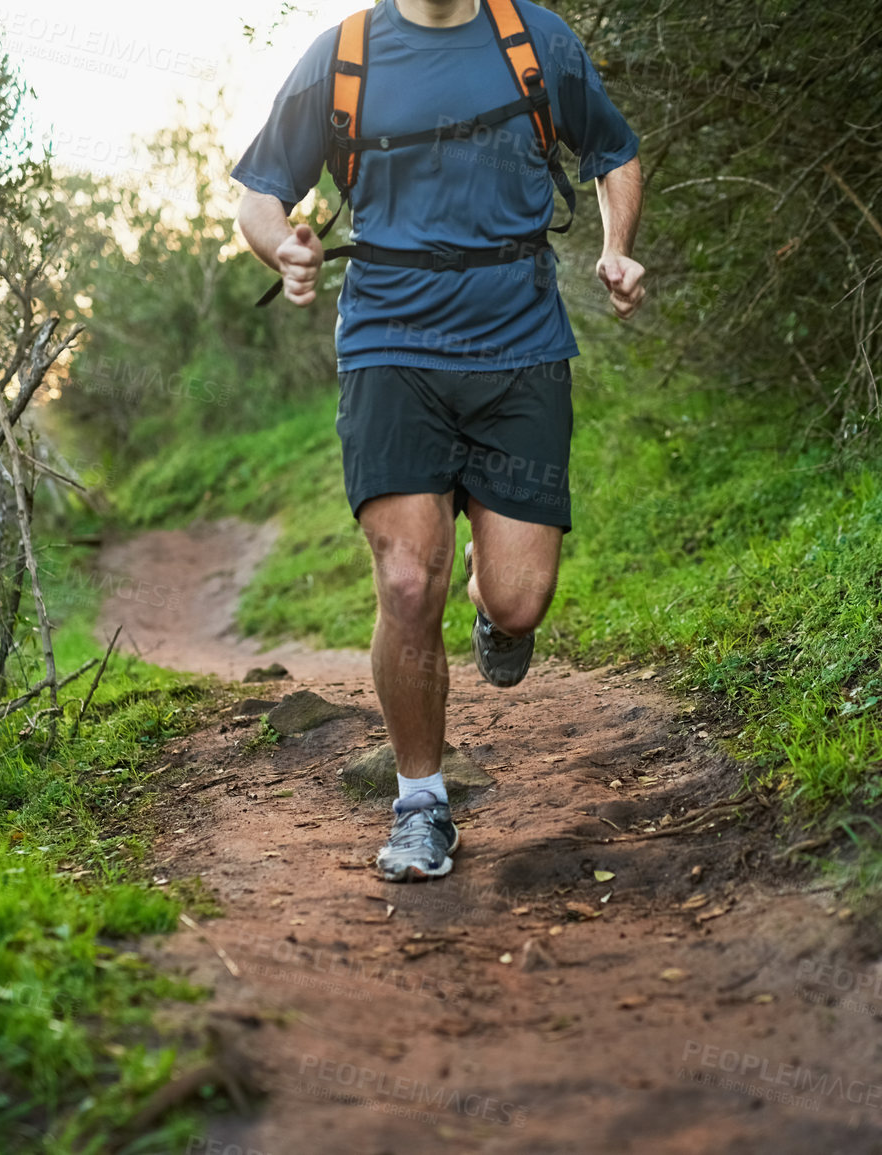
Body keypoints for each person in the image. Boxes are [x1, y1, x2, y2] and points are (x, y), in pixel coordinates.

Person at [233, 0, 645, 882]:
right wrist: (284, 250)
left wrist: (618, 248)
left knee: (520, 600)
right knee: (405, 573)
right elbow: (260, 190)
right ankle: (420, 803)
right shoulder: (341, 55)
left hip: (520, 350)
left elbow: (612, 151)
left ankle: (490, 602)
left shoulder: (534, 41)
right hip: (391, 346)